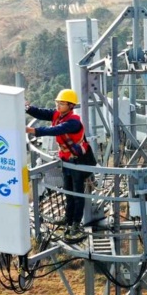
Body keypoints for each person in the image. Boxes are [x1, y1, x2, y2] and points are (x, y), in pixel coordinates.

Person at [26, 89, 96, 236]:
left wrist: (32, 130)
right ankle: (68, 219)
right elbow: (42, 113)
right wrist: (29, 108)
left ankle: (76, 223)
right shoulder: (58, 114)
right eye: (57, 103)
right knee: (69, 193)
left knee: (78, 194)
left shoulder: (73, 122)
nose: (58, 106)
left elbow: (55, 130)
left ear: (70, 106)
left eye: (61, 103)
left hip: (77, 162)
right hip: (67, 160)